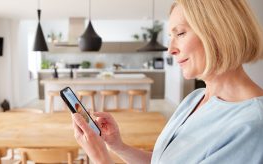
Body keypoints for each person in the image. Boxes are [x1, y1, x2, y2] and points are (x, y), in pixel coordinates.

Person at [72, 0, 263, 163]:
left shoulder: (252, 126)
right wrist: (118, 146)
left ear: (219, 32)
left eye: (180, 34)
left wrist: (100, 157)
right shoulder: (195, 99)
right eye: (170, 37)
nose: (170, 49)